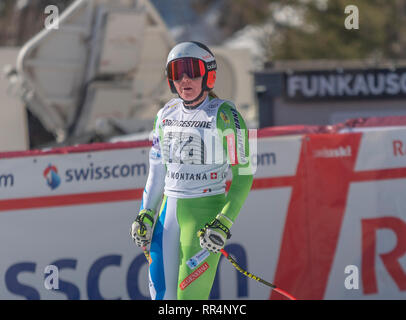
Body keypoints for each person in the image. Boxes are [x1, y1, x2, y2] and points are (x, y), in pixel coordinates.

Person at [130, 41, 253, 300]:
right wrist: (146, 214)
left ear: (209, 74)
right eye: (177, 73)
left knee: (189, 301)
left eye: (192, 71)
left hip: (203, 217)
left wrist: (223, 223)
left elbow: (244, 176)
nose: (185, 79)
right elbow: (156, 173)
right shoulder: (165, 114)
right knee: (162, 298)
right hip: (168, 216)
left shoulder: (226, 115)